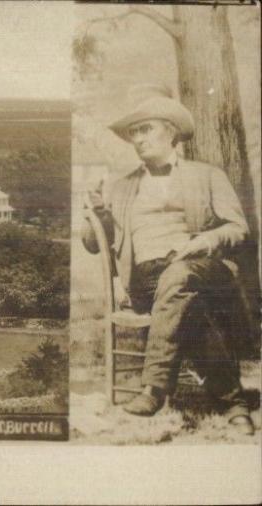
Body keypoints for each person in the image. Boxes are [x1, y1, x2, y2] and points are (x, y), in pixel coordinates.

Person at [82, 87, 256, 436]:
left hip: (202, 266)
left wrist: (205, 240)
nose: (138, 139)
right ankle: (234, 401)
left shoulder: (207, 175)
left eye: (146, 129)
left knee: (180, 278)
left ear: (171, 132)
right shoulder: (121, 186)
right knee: (186, 300)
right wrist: (98, 214)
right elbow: (92, 244)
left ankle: (155, 388)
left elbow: (239, 230)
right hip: (147, 279)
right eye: (134, 133)